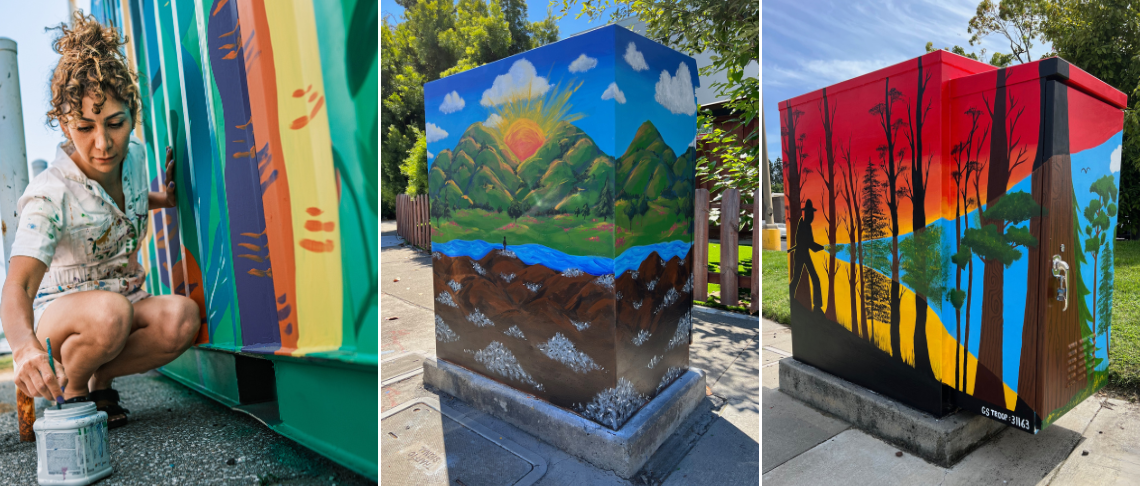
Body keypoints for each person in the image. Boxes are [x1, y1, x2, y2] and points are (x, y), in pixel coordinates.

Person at [0, 12, 200, 429]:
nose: (103, 143)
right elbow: (17, 284)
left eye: (115, 123)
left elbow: (114, 207)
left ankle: (100, 378)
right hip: (63, 318)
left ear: (132, 112)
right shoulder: (49, 193)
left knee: (182, 318)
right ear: (63, 124)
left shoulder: (137, 157)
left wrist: (163, 198)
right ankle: (71, 389)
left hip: (123, 301)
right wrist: (23, 349)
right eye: (84, 127)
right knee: (110, 315)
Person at [788, 199, 824, 313]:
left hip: (803, 252)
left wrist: (817, 247)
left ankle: (817, 303)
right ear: (807, 213)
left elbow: (808, 242)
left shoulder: (805, 224)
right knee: (805, 277)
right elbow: (808, 242)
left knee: (805, 277)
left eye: (811, 213)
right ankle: (816, 303)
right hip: (801, 253)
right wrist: (821, 247)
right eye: (809, 213)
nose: (811, 215)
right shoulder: (804, 225)